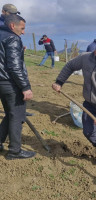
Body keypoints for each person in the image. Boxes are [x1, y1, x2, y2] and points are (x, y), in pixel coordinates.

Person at [52, 40, 96, 178]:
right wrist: (59, 82)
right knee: (88, 131)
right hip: (90, 104)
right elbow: (70, 66)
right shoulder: (85, 58)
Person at [0, 15, 36, 159]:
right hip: (9, 82)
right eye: (22, 28)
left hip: (1, 82)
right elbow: (14, 67)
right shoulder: (12, 38)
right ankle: (15, 151)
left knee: (10, 114)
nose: (23, 32)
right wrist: (25, 87)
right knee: (18, 115)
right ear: (12, 26)